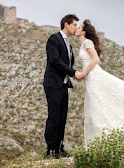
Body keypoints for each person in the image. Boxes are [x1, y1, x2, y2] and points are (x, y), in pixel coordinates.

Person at [43, 14, 80, 159]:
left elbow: (68, 62)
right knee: (53, 117)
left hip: (64, 85)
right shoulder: (54, 39)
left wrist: (72, 73)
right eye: (74, 25)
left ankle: (59, 149)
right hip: (53, 84)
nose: (76, 27)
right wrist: (73, 72)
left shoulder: (68, 44)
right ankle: (51, 151)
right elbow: (55, 60)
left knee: (62, 118)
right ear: (66, 24)